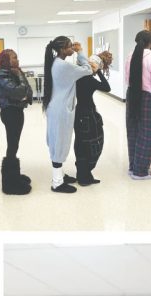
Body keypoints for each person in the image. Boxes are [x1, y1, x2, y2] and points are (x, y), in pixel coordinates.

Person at [43, 36, 98, 193]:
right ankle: (57, 183)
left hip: (56, 107)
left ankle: (59, 175)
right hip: (60, 109)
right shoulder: (63, 66)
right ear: (61, 49)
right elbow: (88, 69)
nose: (71, 49)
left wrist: (78, 53)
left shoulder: (56, 62)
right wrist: (80, 52)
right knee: (59, 144)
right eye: (69, 47)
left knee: (56, 142)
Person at [126, 31, 151, 180]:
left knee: (133, 131)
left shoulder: (130, 57)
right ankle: (140, 171)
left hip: (132, 95)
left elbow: (127, 79)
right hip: (148, 99)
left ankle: (133, 166)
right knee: (147, 134)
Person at [0, 49, 33, 195]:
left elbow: (28, 92)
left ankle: (13, 175)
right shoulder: (1, 76)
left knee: (14, 145)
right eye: (14, 58)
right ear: (6, 60)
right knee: (12, 144)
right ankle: (9, 183)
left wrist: (21, 77)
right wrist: (21, 83)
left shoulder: (14, 73)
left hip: (17, 110)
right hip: (10, 112)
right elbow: (20, 92)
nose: (17, 60)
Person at [73, 52, 112, 186]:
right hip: (88, 115)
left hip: (78, 113)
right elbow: (107, 87)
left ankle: (83, 175)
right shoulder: (89, 79)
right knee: (91, 143)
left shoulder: (78, 77)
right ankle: (85, 176)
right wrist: (99, 72)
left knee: (80, 143)